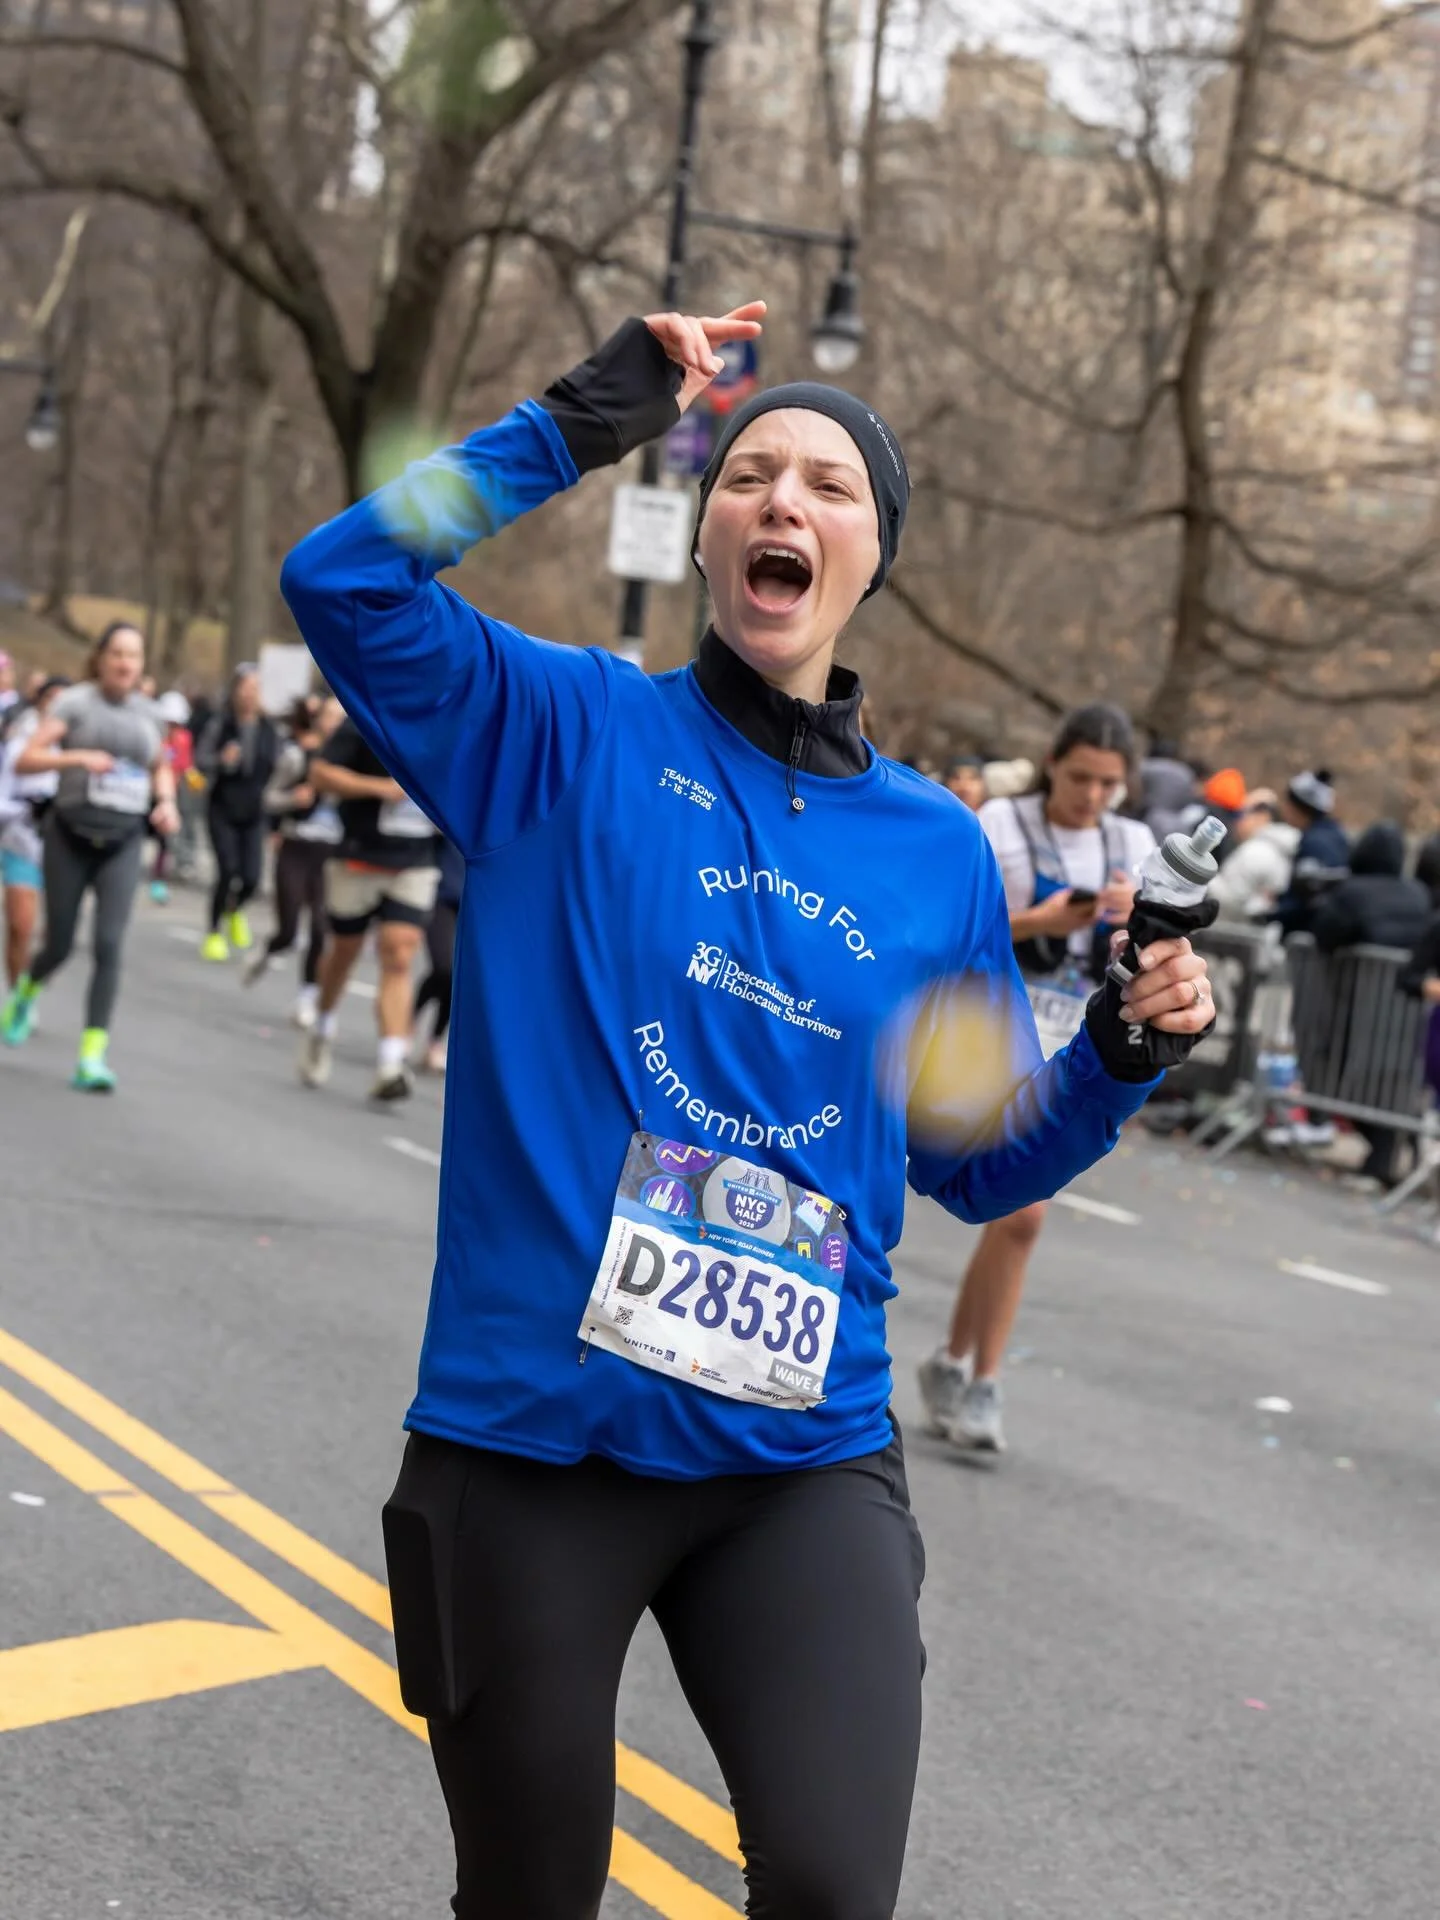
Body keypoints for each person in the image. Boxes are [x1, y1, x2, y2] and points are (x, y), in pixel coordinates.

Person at [278, 301, 1212, 1920]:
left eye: (830, 486)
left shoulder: (933, 852)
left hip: (801, 1462)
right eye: (753, 475)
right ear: (711, 534)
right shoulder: (558, 735)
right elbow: (342, 582)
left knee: (839, 1890)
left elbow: (977, 1159)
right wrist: (587, 415)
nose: (786, 500)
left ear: (870, 557)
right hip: (533, 1450)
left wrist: (1118, 1054)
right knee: (528, 1898)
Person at [918, 703, 1158, 1452]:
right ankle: (985, 1382)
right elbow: (960, 922)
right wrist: (1039, 924)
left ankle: (954, 1362)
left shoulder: (1133, 841)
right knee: (1019, 1214)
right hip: (996, 1026)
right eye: (1081, 776)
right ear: (1054, 762)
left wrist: (1134, 923)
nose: (1092, 796)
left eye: (1108, 784)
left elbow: (1158, 949)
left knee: (1014, 1217)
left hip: (1079, 1038)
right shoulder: (996, 826)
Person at [0, 623, 177, 1088]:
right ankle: (26, 992)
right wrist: (77, 759)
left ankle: (91, 1056)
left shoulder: (150, 714)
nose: (124, 664)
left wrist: (167, 804)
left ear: (142, 666)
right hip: (70, 837)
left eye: (133, 656)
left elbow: (162, 769)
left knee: (109, 946)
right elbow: (26, 760)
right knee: (59, 943)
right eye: (116, 653)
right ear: (100, 658)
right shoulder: (75, 703)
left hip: (123, 842)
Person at [300, 711, 441, 1101]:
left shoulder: (452, 720)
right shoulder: (368, 715)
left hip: (415, 860)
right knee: (344, 952)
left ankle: (390, 1063)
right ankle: (323, 1025)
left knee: (399, 953)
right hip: (358, 857)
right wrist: (381, 788)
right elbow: (320, 774)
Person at [243, 694, 345, 1027]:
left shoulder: (356, 759)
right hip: (296, 846)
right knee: (289, 927)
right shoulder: (296, 756)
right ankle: (270, 949)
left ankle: (306, 998)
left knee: (320, 929)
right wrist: (293, 798)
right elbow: (268, 798)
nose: (336, 724)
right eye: (330, 716)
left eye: (342, 717)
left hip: (331, 853)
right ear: (319, 721)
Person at [195, 663, 279, 960]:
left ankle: (234, 909)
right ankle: (214, 931)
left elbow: (278, 771)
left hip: (254, 811)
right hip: (223, 807)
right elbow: (201, 760)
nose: (249, 695)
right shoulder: (221, 724)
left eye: (255, 689)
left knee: (253, 878)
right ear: (234, 691)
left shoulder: (269, 729)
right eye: (244, 688)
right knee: (227, 870)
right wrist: (221, 759)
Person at [0, 674, 69, 987]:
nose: (56, 705)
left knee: (56, 937)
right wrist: (29, 808)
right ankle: (17, 993)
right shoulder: (20, 735)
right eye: (50, 697)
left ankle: (32, 985)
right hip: (22, 836)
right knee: (21, 925)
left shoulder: (83, 740)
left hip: (68, 844)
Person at [1273, 768, 1349, 935]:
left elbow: (1306, 895)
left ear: (1299, 808)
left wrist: (1273, 913)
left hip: (1305, 934)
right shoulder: (1337, 836)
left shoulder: (1314, 843)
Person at [1208, 788, 1299, 923]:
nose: (1236, 822)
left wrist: (1203, 880)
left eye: (1240, 814)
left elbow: (1232, 900)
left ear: (1262, 816)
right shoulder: (1276, 849)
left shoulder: (1257, 852)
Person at [413, 835, 463, 1073]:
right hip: (440, 893)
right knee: (445, 967)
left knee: (459, 977)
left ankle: (434, 1041)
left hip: (477, 901)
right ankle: (406, 1019)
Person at [148, 690, 194, 903]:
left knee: (165, 840)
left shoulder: (184, 739)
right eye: (169, 722)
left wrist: (190, 777)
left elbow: (184, 765)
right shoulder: (155, 737)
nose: (172, 728)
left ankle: (160, 879)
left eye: (176, 723)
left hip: (171, 795)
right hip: (151, 792)